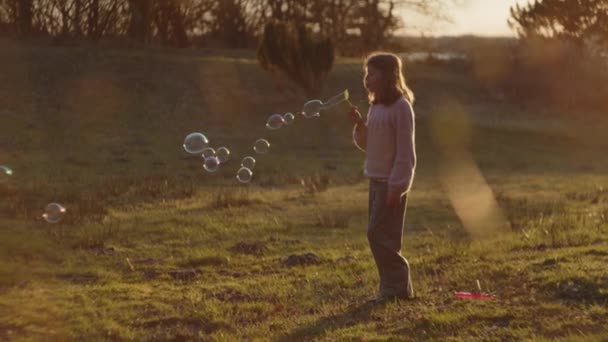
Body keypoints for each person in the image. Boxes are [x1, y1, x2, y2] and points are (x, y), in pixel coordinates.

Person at [347, 51, 416, 302]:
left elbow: (405, 153)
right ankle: (395, 289)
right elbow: (370, 145)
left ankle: (396, 286)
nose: (367, 78)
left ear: (387, 76)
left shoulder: (401, 108)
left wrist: (397, 187)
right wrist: (360, 125)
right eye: (366, 73)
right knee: (383, 236)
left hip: (391, 183)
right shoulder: (376, 106)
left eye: (372, 73)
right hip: (376, 181)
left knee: (377, 234)